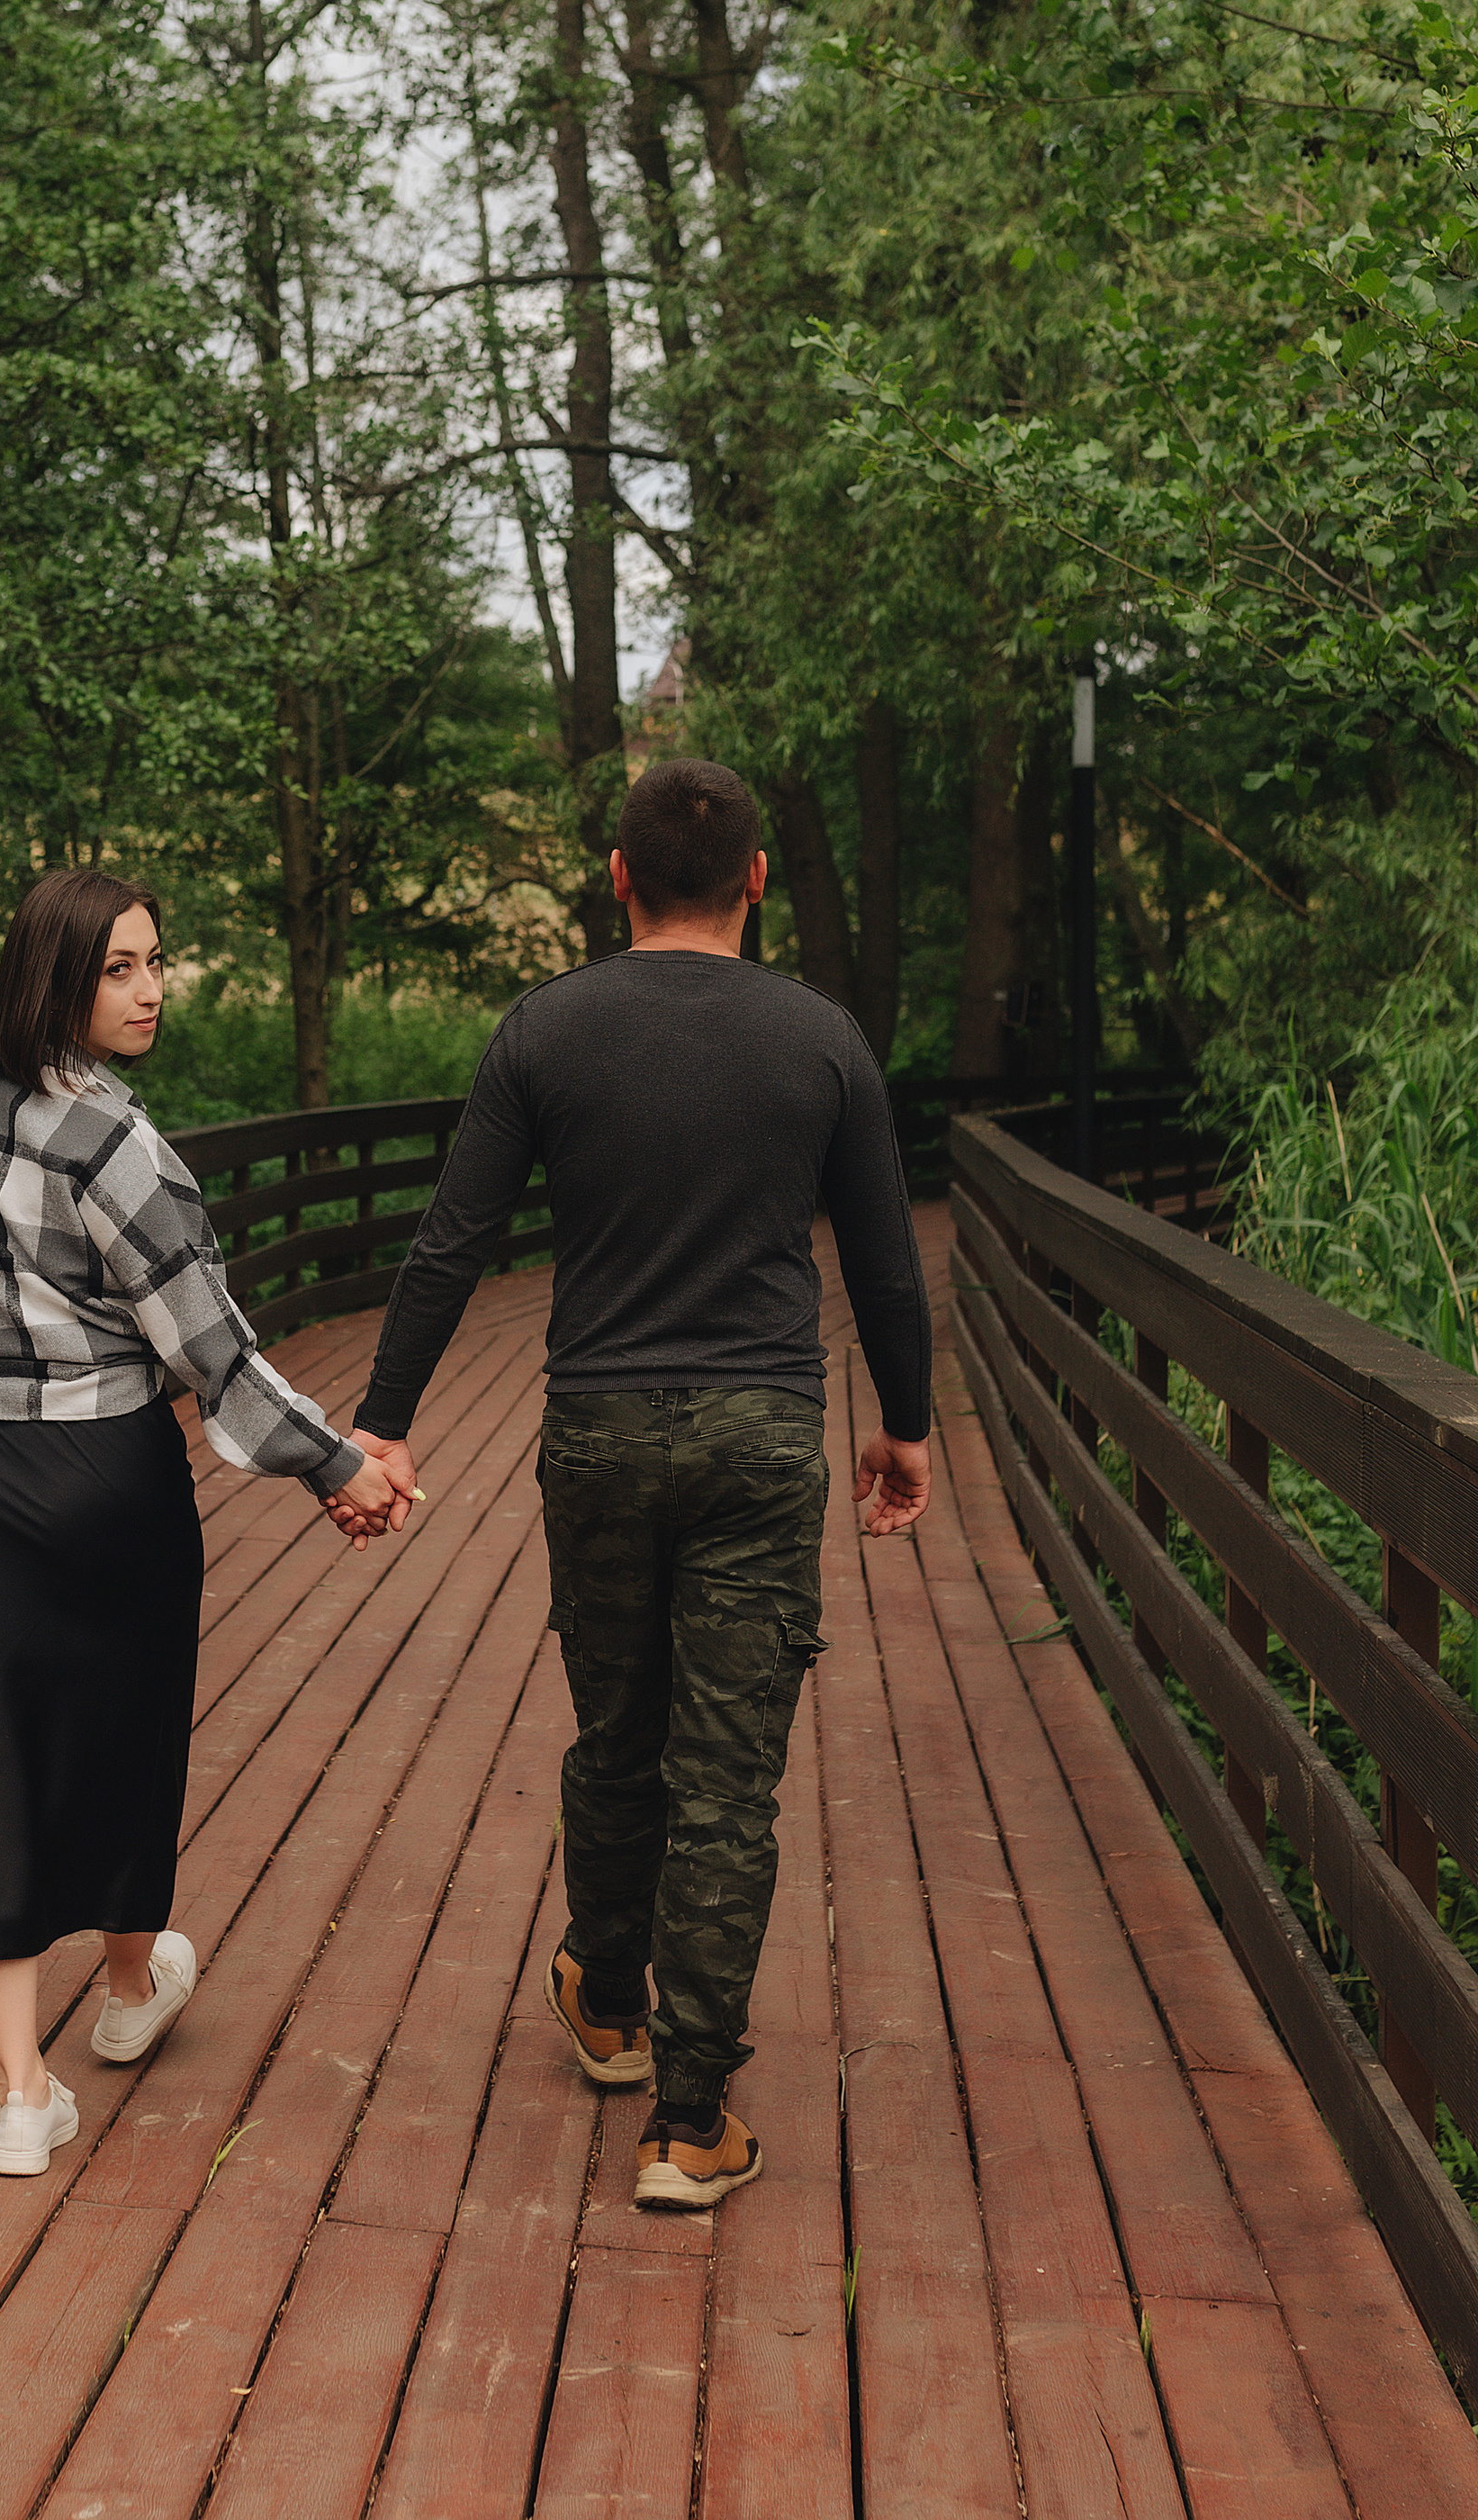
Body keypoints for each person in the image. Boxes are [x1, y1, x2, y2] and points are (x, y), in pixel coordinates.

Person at [347, 758, 932, 2212]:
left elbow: (449, 1239)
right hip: (761, 1432)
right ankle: (688, 2119)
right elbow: (883, 1258)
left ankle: (608, 1997)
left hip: (597, 1427)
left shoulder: (546, 1028)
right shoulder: (823, 1040)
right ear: (755, 881)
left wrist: (384, 1420)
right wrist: (906, 1422)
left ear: (614, 879)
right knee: (727, 1773)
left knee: (616, 1726)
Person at [0, 867, 406, 2180]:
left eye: (155, 961)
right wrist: (337, 1463)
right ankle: (127, 1987)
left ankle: (27, 2092)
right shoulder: (119, 1144)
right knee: (122, 1731)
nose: (151, 989)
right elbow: (213, 1351)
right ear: (55, 980)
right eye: (119, 968)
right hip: (98, 1475)